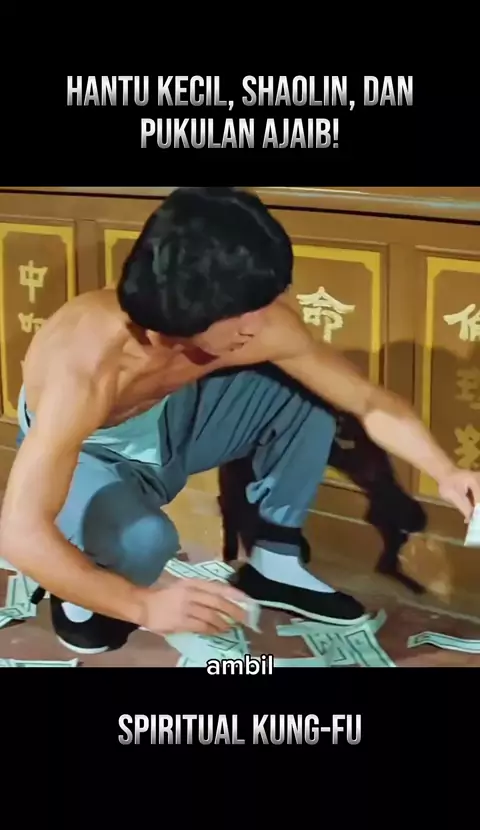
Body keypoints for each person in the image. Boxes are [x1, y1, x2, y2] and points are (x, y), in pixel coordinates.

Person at [1, 186, 479, 655]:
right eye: (243, 310)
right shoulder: (86, 360)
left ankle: (275, 562)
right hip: (90, 454)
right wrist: (142, 605)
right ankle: (77, 592)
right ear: (192, 301)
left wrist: (446, 471)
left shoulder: (255, 325)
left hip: (172, 425)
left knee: (309, 394)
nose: (259, 324)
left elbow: (368, 402)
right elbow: (19, 531)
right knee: (145, 543)